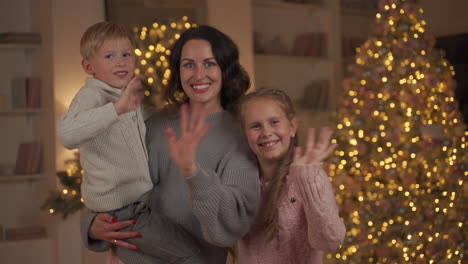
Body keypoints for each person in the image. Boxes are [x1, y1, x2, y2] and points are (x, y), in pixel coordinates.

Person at [80, 24, 261, 264]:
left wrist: (193, 173)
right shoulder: (154, 123)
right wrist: (92, 224)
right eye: (188, 65)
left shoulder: (239, 136)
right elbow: (111, 182)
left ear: (225, 69)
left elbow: (233, 224)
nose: (198, 75)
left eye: (209, 63)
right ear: (178, 71)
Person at [58, 21, 202, 263]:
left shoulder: (121, 93)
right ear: (88, 66)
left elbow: (137, 121)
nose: (121, 62)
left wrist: (173, 111)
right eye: (109, 56)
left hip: (138, 202)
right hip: (124, 209)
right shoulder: (93, 95)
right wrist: (117, 108)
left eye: (126, 54)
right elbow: (67, 134)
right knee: (191, 256)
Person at [236, 87, 346, 264]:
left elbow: (330, 241)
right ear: (245, 134)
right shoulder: (240, 179)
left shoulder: (311, 177)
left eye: (274, 122)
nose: (266, 132)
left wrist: (307, 183)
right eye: (256, 126)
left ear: (292, 126)